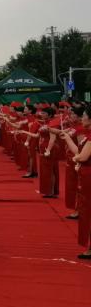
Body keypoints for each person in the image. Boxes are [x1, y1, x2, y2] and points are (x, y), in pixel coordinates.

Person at [61, 104, 91, 259]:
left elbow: (83, 156)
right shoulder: (86, 134)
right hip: (85, 175)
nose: (82, 118)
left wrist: (76, 159)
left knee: (88, 210)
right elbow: (79, 152)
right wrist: (67, 138)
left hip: (89, 176)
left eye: (84, 116)